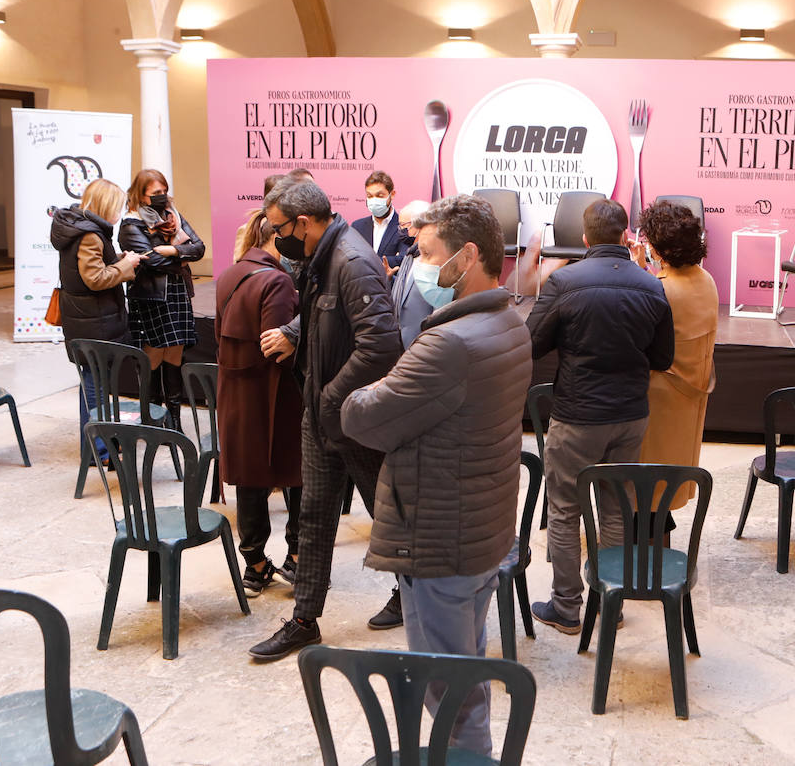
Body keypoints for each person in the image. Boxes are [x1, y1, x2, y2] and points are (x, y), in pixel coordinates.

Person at [341, 194, 533, 756]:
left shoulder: (448, 342)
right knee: (465, 673)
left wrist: (367, 391)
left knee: (448, 691)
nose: (415, 266)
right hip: (479, 529)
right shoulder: (507, 321)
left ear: (467, 256)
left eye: (426, 253)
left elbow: (362, 416)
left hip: (440, 538)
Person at [248, 180, 402, 661]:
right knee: (313, 519)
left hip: (352, 418)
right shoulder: (319, 257)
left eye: (279, 229)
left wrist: (333, 396)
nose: (276, 238)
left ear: (304, 222)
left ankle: (414, 593)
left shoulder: (352, 262)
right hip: (322, 417)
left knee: (389, 517)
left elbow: (381, 346)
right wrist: (294, 332)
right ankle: (304, 619)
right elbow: (320, 316)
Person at [526, 197, 674, 634]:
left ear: (585, 238)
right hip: (630, 415)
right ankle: (610, 603)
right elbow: (663, 357)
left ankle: (567, 608)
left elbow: (532, 344)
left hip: (577, 416)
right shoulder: (652, 285)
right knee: (615, 509)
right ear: (627, 236)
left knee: (565, 509)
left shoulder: (565, 282)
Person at [216, 212, 304, 596]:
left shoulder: (229, 273)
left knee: (250, 478)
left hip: (235, 392)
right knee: (300, 477)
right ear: (276, 237)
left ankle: (254, 565)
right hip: (276, 396)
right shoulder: (278, 281)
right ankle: (299, 558)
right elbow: (280, 349)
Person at [633, 202, 718, 531]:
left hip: (658, 402)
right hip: (689, 403)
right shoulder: (705, 280)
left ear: (655, 246)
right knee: (667, 487)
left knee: (646, 491)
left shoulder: (658, 289)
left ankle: (643, 570)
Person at [49, 179, 142, 454]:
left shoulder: (80, 229)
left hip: (88, 319)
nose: (120, 213)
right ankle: (99, 449)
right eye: (118, 207)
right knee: (94, 386)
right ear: (106, 206)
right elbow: (95, 279)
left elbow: (89, 271)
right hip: (93, 321)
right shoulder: (90, 235)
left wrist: (118, 260)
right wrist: (126, 266)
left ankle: (97, 443)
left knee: (93, 382)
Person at [118, 169, 205, 430]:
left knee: (175, 354)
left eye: (164, 191)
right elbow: (151, 261)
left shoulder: (173, 217)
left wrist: (172, 249)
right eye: (155, 193)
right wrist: (181, 255)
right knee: (153, 356)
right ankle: (152, 417)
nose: (161, 197)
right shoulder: (131, 224)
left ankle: (175, 418)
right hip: (150, 298)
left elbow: (198, 248)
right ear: (140, 195)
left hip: (177, 293)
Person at [390, 199, 434, 348]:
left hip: (422, 346)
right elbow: (405, 290)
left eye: (404, 225)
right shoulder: (409, 256)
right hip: (400, 345)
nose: (400, 231)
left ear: (420, 226)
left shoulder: (435, 259)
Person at [351, 170, 408, 274]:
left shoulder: (403, 226)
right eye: (369, 196)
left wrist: (365, 260)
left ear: (392, 194)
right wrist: (390, 259)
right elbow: (350, 259)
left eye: (380, 196)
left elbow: (403, 259)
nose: (374, 200)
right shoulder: (357, 226)